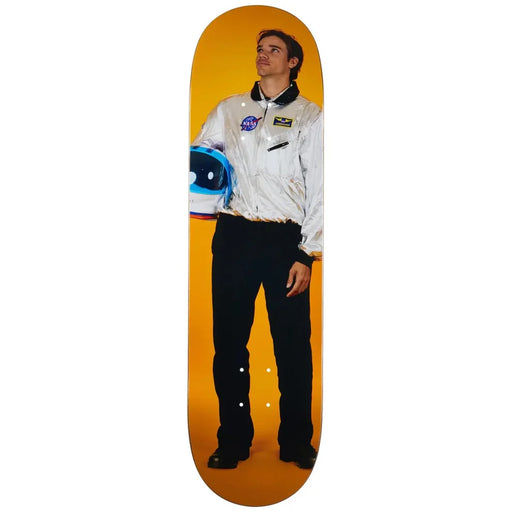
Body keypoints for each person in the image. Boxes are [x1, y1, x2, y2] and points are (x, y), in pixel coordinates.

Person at [191, 29, 323, 469]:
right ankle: (232, 440)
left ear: (293, 62)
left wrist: (307, 253)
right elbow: (202, 160)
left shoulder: (309, 116)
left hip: (285, 242)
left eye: (273, 50)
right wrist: (203, 197)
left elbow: (322, 188)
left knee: (292, 346)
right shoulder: (229, 110)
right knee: (229, 343)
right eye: (260, 50)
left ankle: (296, 442)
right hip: (234, 237)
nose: (263, 56)